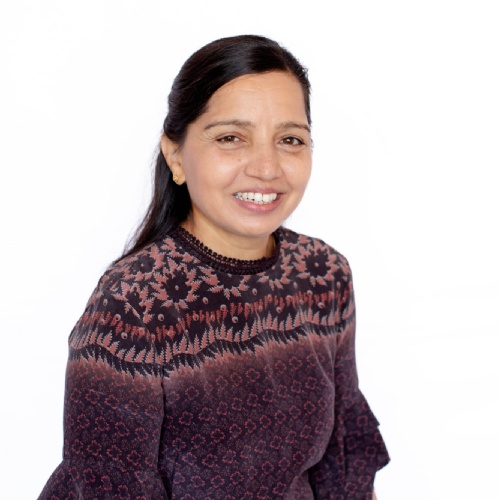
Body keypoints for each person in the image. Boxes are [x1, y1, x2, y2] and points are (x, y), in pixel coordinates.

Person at [39, 34, 389, 499]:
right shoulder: (134, 306)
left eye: (290, 139)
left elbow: (343, 467)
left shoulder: (323, 274)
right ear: (176, 156)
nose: (267, 167)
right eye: (230, 138)